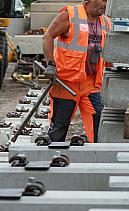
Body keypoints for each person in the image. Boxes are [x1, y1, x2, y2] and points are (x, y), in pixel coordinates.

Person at [42, 0, 112, 143]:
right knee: (59, 127)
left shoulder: (106, 22)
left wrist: (112, 69)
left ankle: (96, 158)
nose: (106, 4)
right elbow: (47, 37)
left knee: (98, 122)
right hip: (66, 83)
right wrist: (50, 65)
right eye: (103, 0)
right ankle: (54, 157)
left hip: (91, 84)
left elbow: (107, 51)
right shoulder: (69, 15)